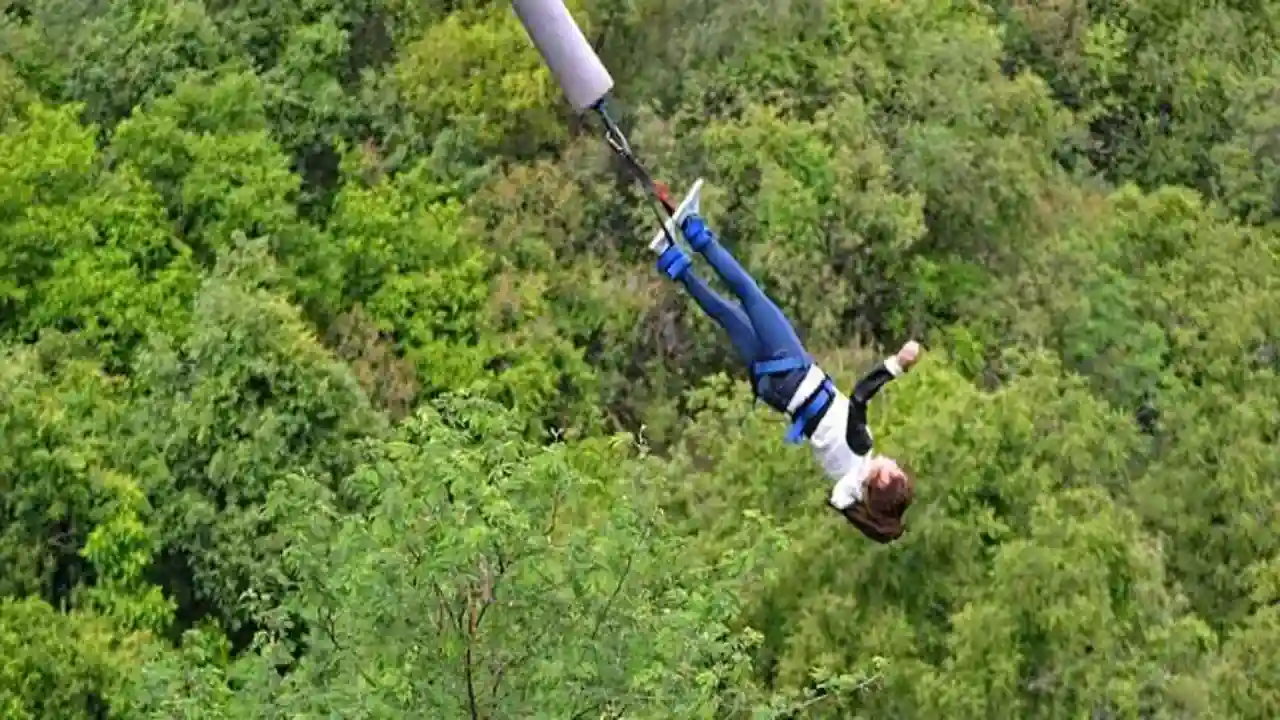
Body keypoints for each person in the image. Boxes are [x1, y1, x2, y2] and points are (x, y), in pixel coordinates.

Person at [649, 184, 921, 543]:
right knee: (729, 316)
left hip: (793, 371)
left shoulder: (861, 449)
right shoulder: (845, 490)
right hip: (774, 391)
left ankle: (693, 229)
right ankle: (672, 260)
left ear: (883, 480)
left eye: (895, 471)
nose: (894, 463)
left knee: (749, 293)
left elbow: (858, 398)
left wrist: (896, 365)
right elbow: (845, 502)